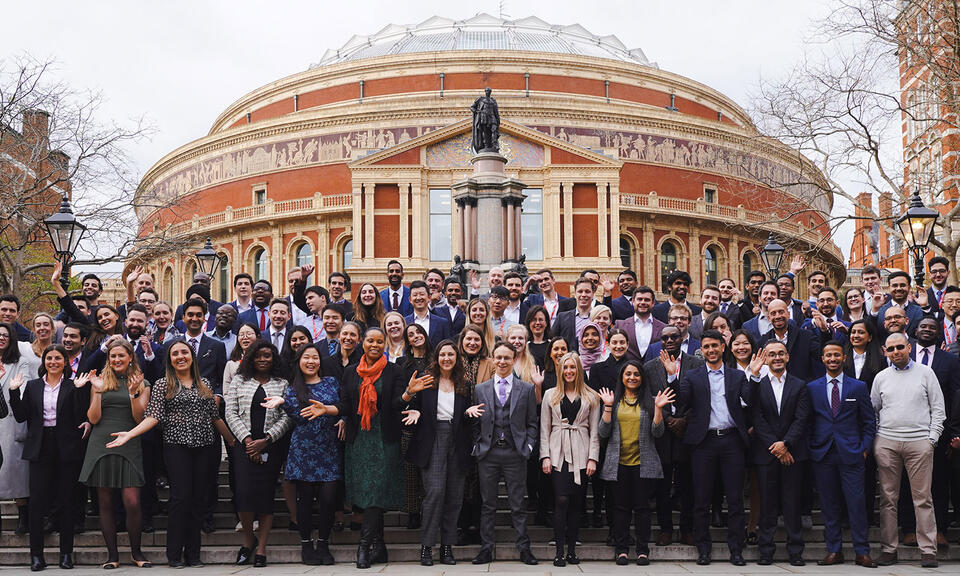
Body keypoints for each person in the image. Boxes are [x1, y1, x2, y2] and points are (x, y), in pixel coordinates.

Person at [106, 340, 232, 568]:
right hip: (176, 448)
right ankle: (174, 554)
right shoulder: (163, 384)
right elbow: (152, 417)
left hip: (205, 448)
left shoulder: (204, 385)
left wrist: (234, 442)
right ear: (170, 359)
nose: (180, 356)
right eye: (175, 354)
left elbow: (216, 418)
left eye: (185, 352)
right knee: (181, 498)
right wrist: (130, 435)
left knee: (198, 499)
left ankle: (193, 555)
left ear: (192, 357)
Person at [341, 327, 430, 568]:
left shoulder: (394, 371)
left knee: (375, 492)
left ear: (385, 344)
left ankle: (365, 546)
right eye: (371, 340)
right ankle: (379, 547)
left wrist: (409, 393)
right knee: (369, 494)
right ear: (363, 342)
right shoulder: (350, 373)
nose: (375, 345)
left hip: (384, 439)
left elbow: (394, 405)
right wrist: (331, 412)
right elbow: (345, 406)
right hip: (359, 441)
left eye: (380, 341)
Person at [9, 344, 90, 572]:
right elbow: (21, 416)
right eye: (49, 358)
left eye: (58, 358)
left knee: (66, 502)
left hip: (66, 448)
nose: (53, 362)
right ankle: (36, 556)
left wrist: (81, 390)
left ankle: (66, 555)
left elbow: (81, 415)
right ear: (44, 362)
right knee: (37, 504)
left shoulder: (72, 385)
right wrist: (14, 392)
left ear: (65, 362)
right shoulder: (33, 386)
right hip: (40, 447)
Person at [675, 330, 752, 566]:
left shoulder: (737, 376)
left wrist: (755, 376)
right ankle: (704, 549)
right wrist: (671, 378)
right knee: (701, 499)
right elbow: (681, 404)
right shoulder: (692, 376)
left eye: (714, 346)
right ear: (702, 350)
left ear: (722, 347)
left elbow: (752, 402)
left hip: (731, 441)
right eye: (706, 346)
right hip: (703, 443)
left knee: (736, 499)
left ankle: (736, 549)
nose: (710, 350)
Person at [872, 332, 946, 568]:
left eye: (900, 347)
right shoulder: (881, 377)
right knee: (888, 499)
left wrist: (931, 439)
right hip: (887, 443)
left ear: (909, 348)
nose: (896, 352)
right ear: (885, 351)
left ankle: (928, 550)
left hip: (919, 444)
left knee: (922, 498)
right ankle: (888, 549)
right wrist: (878, 440)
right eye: (891, 349)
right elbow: (873, 411)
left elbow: (938, 409)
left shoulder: (926, 373)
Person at [76, 338, 151, 568]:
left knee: (132, 501)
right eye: (113, 356)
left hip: (128, 442)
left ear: (130, 357)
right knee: (105, 502)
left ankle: (136, 553)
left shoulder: (142, 382)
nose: (117, 359)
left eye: (121, 355)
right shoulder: (99, 380)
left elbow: (140, 419)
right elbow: (93, 418)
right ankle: (112, 556)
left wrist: (132, 393)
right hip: (100, 444)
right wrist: (97, 392)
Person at [267, 343, 341, 565]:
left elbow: (344, 405)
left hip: (329, 447)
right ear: (299, 362)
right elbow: (297, 417)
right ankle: (307, 544)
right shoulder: (293, 389)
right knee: (306, 500)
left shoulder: (331, 383)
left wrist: (343, 418)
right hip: (304, 449)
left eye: (315, 357)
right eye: (306, 358)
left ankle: (325, 543)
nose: (311, 361)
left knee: (329, 499)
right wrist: (282, 402)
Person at [468, 341, 539, 566]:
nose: (502, 362)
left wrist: (527, 446)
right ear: (492, 358)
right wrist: (476, 446)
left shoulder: (526, 389)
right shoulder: (480, 389)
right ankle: (486, 548)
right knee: (488, 505)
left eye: (506, 358)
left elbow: (532, 423)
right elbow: (474, 422)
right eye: (498, 357)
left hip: (514, 453)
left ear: (513, 359)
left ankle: (524, 549)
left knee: (517, 504)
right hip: (488, 454)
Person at [402, 340, 473, 566]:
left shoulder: (464, 383)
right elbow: (410, 406)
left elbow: (466, 416)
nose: (446, 359)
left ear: (457, 358)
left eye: (451, 355)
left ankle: (446, 547)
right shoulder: (426, 381)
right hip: (432, 440)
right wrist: (413, 410)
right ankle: (427, 546)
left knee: (454, 496)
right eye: (443, 354)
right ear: (437, 357)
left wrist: (468, 412)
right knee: (434, 493)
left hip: (457, 441)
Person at [808, 341, 877, 567]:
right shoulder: (813, 387)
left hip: (852, 454)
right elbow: (809, 422)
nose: (833, 359)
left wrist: (864, 449)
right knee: (829, 505)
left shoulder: (857, 387)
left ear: (843, 358)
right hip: (823, 454)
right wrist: (812, 447)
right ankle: (834, 550)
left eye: (836, 355)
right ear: (823, 359)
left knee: (856, 504)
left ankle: (861, 551)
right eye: (828, 355)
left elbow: (868, 422)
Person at [223, 339, 292, 567]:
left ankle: (261, 548)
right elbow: (230, 412)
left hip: (271, 446)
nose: (262, 359)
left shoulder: (282, 383)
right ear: (251, 358)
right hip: (244, 445)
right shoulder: (239, 381)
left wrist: (266, 440)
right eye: (258, 356)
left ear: (274, 358)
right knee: (243, 495)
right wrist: (249, 440)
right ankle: (248, 540)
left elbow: (287, 415)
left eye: (267, 356)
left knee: (265, 497)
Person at [598, 360, 674, 565]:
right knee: (621, 509)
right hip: (618, 464)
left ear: (642, 378)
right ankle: (622, 550)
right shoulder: (613, 401)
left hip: (643, 463)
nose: (632, 377)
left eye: (636, 374)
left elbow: (657, 433)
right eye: (628, 374)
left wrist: (658, 409)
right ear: (622, 378)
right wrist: (607, 406)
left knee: (642, 509)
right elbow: (602, 432)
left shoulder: (650, 401)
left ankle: (642, 550)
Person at [748, 340, 810, 566]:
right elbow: (757, 417)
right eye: (772, 354)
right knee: (767, 504)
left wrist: (786, 444)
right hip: (767, 454)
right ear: (766, 358)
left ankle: (796, 552)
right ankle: (766, 551)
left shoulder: (800, 385)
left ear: (787, 357)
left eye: (780, 354)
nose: (776, 358)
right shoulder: (758, 385)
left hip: (793, 453)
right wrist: (775, 445)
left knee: (792, 503)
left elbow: (801, 418)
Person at [645, 326, 703, 546]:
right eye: (665, 337)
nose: (669, 340)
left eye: (673, 336)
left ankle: (687, 528)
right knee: (662, 486)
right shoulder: (651, 367)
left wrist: (684, 420)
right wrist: (668, 419)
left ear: (682, 338)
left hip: (688, 432)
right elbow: (647, 397)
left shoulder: (696, 364)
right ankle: (666, 528)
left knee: (687, 485)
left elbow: (700, 396)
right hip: (663, 433)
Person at [540, 353, 601, 566]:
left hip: (582, 452)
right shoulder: (550, 394)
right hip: (558, 452)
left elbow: (595, 431)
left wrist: (593, 458)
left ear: (579, 370)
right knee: (561, 500)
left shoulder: (591, 396)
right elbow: (544, 428)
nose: (569, 371)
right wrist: (545, 456)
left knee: (576, 502)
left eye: (573, 368)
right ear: (560, 370)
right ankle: (559, 551)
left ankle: (572, 550)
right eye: (565, 368)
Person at [0, 323, 31, 535]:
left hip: (11, 420)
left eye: (4, 335)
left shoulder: (20, 362)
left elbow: (24, 388)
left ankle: (23, 517)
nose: (1, 338)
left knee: (16, 472)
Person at [759, 299, 823, 381]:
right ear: (769, 318)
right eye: (773, 313)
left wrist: (824, 331)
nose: (778, 316)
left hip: (802, 389)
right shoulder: (763, 341)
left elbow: (822, 355)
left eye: (781, 312)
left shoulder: (806, 336)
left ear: (788, 314)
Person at [613, 287, 665, 363]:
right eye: (639, 299)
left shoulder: (663, 328)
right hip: (628, 372)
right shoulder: (620, 325)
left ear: (653, 303)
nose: (643, 302)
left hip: (654, 372)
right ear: (633, 302)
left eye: (647, 300)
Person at [405, 280, 453, 346]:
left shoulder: (442, 323)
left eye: (422, 294)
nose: (418, 298)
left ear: (429, 297)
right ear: (410, 300)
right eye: (415, 295)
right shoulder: (404, 323)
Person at [877, 272, 923, 337]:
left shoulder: (918, 310)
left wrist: (926, 306)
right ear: (889, 288)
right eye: (895, 285)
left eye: (902, 285)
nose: (898, 288)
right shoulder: (880, 310)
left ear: (909, 287)